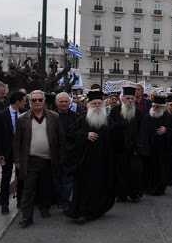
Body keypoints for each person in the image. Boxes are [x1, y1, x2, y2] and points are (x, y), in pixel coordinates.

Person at [13, 90, 64, 228]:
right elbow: (17, 142)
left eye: (39, 100)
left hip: (49, 159)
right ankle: (27, 217)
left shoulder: (54, 117)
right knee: (28, 189)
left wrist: (61, 157)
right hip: (30, 160)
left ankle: (45, 207)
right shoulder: (22, 118)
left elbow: (60, 139)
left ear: (44, 102)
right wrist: (17, 160)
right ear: (29, 103)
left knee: (46, 186)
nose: (37, 102)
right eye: (33, 100)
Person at [64, 91, 116, 222]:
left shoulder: (108, 122)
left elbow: (114, 141)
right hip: (84, 163)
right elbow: (69, 135)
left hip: (102, 163)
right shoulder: (81, 120)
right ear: (89, 105)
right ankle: (82, 211)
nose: (97, 106)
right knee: (83, 188)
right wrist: (84, 135)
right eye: (94, 104)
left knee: (100, 187)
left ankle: (96, 210)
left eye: (99, 103)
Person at [109, 86, 146, 203]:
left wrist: (138, 148)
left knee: (135, 173)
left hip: (134, 150)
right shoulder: (115, 111)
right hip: (119, 149)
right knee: (120, 173)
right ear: (123, 98)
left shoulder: (139, 113)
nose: (130, 101)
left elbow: (142, 131)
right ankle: (121, 194)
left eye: (132, 98)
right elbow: (111, 127)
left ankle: (134, 194)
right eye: (128, 98)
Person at [0, 91, 26, 215]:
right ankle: (4, 204)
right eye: (23, 100)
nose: (25, 103)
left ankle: (20, 200)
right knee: (5, 176)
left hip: (21, 152)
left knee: (21, 176)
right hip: (4, 153)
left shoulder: (25, 113)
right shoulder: (0, 115)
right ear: (17, 101)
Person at [143, 96, 172, 195]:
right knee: (149, 170)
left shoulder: (167, 117)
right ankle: (148, 188)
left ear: (162, 108)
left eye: (157, 107)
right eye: (154, 106)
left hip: (162, 151)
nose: (155, 109)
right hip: (149, 149)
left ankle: (159, 189)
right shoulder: (147, 117)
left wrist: (166, 130)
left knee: (161, 170)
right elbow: (142, 132)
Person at [54, 92, 80, 209]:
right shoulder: (50, 116)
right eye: (61, 102)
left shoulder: (76, 117)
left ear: (70, 103)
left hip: (70, 152)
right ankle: (58, 199)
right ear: (56, 103)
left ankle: (65, 201)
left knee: (68, 179)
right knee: (56, 178)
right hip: (54, 152)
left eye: (66, 102)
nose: (64, 104)